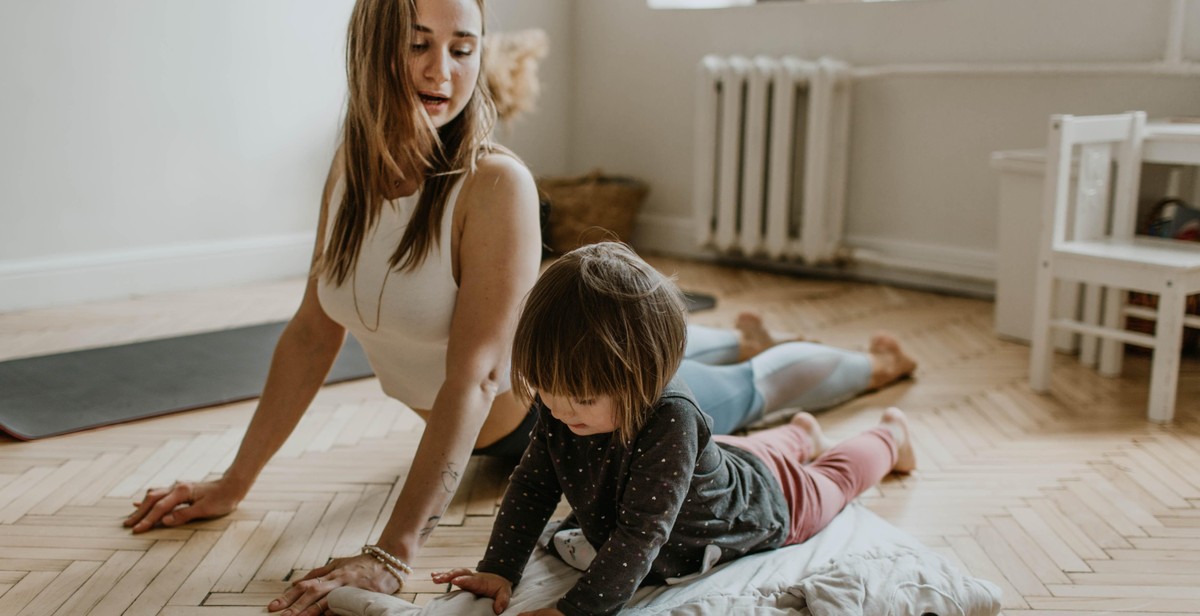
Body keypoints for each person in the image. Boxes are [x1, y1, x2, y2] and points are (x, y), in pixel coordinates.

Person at [121, 1, 915, 614]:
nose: (443, 70)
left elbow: (474, 379)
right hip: (566, 379)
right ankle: (745, 363)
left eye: (463, 48)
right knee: (690, 352)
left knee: (748, 391)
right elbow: (308, 335)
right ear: (371, 44)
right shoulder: (349, 174)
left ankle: (869, 367)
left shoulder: (493, 184)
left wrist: (394, 553)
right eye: (419, 41)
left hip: (565, 412)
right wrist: (233, 484)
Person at [432, 242, 916, 616]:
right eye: (547, 392)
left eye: (580, 400)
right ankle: (801, 434)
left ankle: (890, 437)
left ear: (644, 377)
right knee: (745, 453)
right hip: (715, 463)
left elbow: (642, 533)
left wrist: (578, 609)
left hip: (764, 501)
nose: (558, 411)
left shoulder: (671, 419)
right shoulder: (563, 405)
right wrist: (498, 568)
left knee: (833, 480)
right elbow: (534, 484)